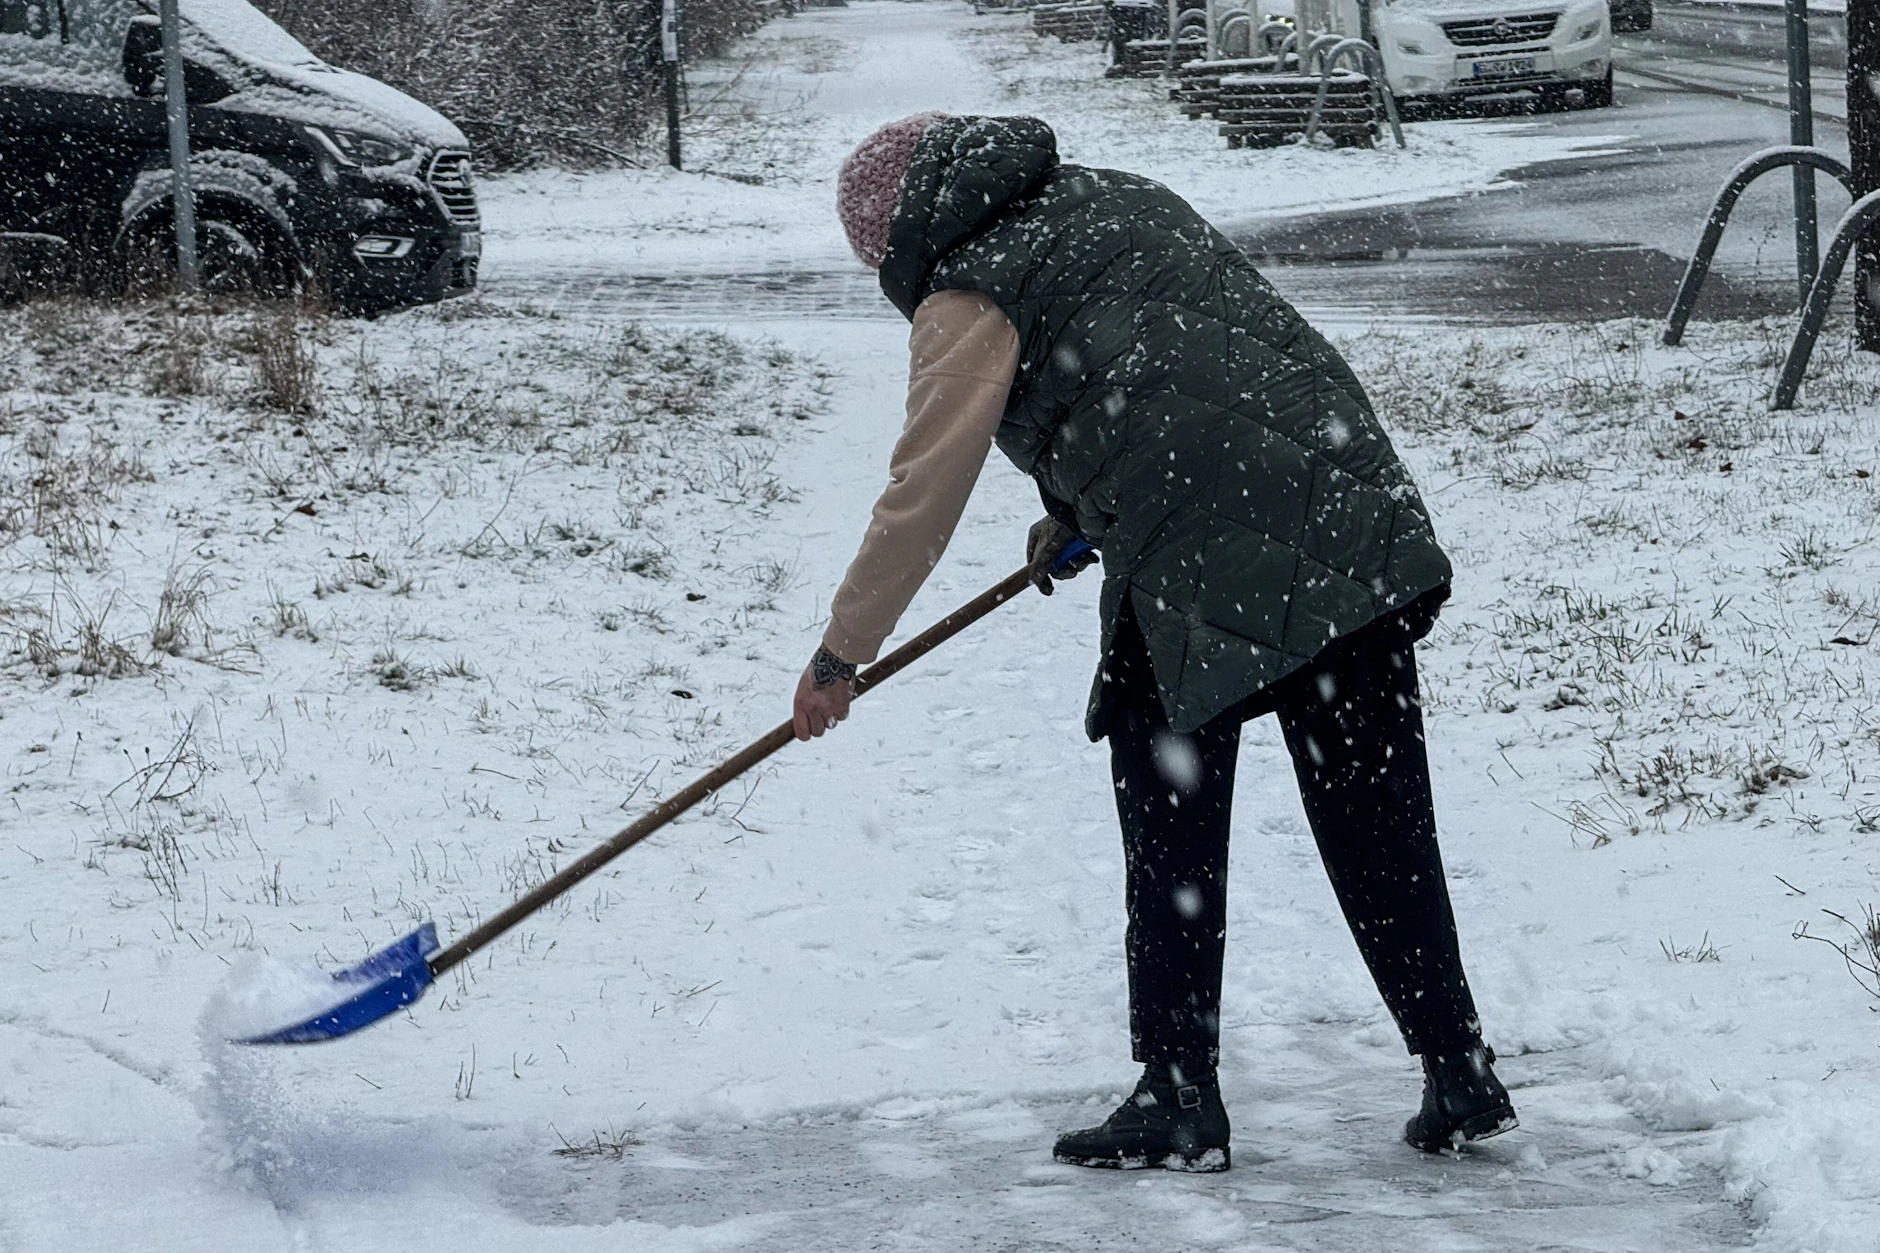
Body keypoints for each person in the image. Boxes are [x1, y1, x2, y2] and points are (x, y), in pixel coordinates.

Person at [792, 113, 1515, 1171]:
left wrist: (838, 654)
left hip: (1195, 550)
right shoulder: (1108, 196)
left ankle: (1178, 1089)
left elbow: (922, 488)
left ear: (895, 237)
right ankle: (1456, 1063)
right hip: (1340, 503)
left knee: (1169, 816)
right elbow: (1181, 366)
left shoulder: (966, 288)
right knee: (1374, 815)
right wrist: (1073, 512)